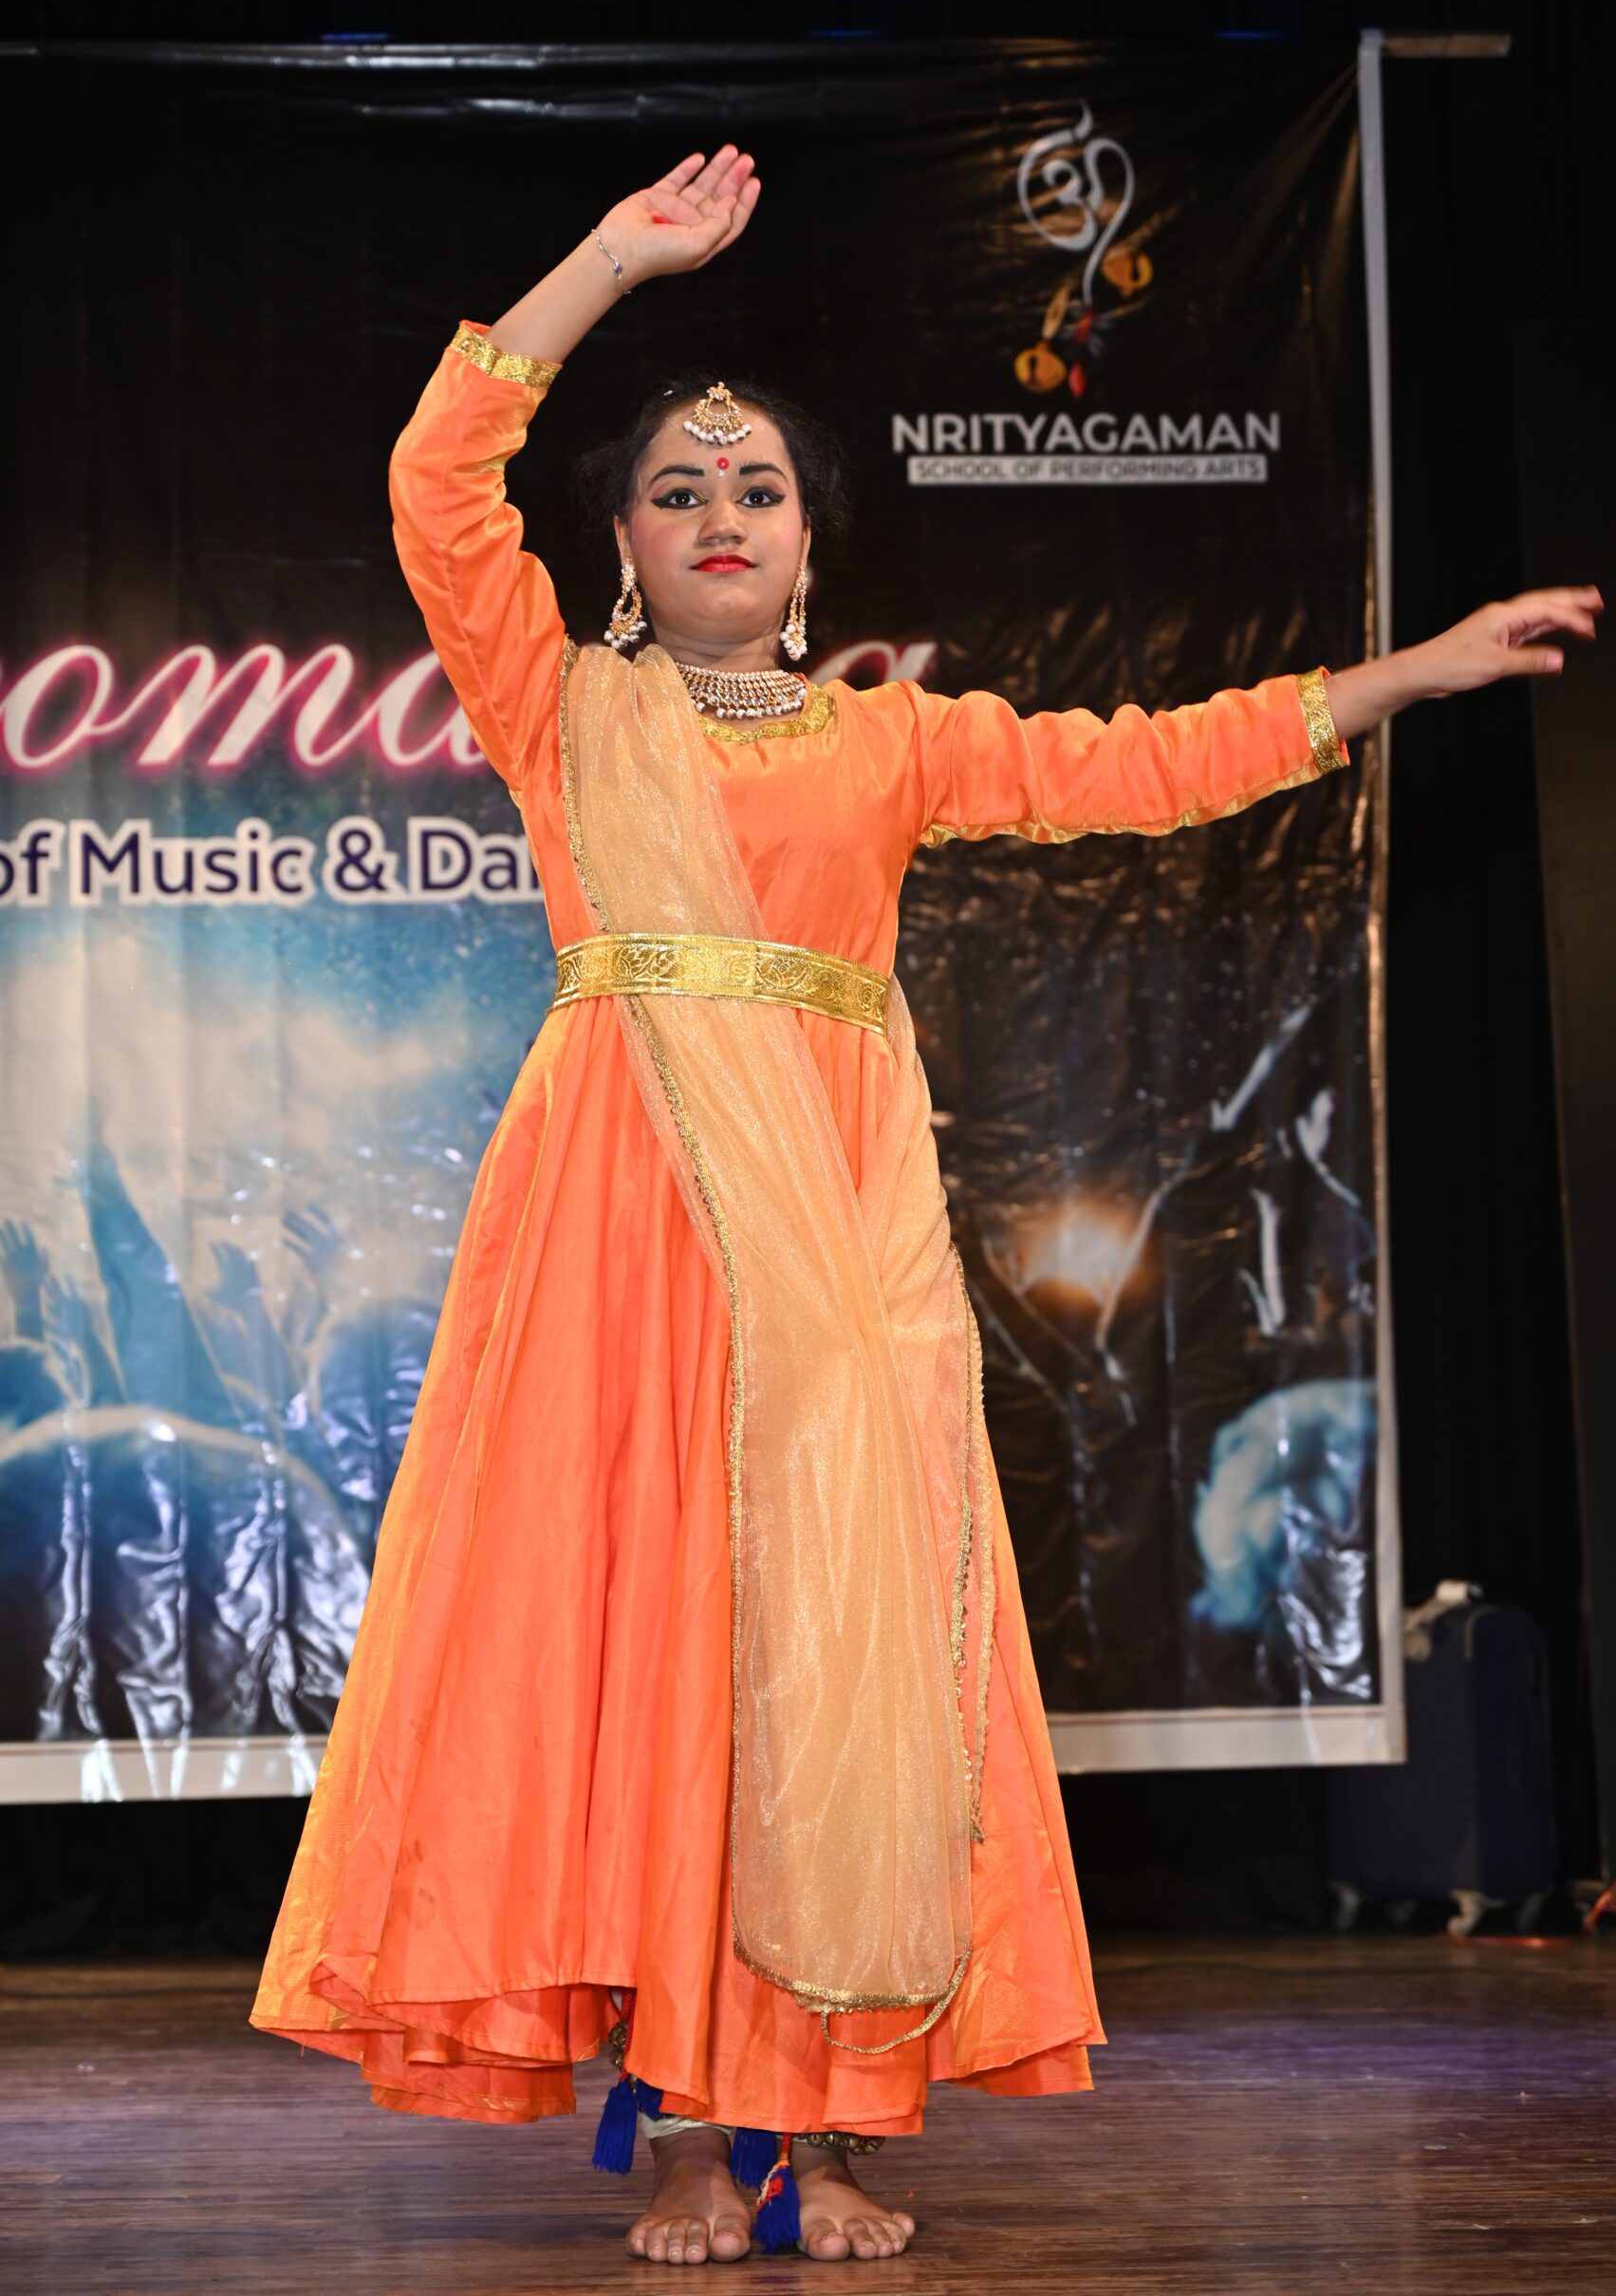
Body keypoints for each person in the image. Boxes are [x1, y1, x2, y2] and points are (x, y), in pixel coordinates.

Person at [250, 143, 1602, 2267]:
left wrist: (1404, 677)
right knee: (665, 1662)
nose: (720, 512)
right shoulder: (563, 705)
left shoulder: (892, 741)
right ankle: (690, 2132)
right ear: (622, 548)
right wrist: (612, 259)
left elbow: (1144, 765)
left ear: (811, 549)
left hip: (840, 1239)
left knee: (847, 1658)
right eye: (678, 490)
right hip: (626, 1226)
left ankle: (829, 2114)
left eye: (759, 489)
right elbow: (440, 479)